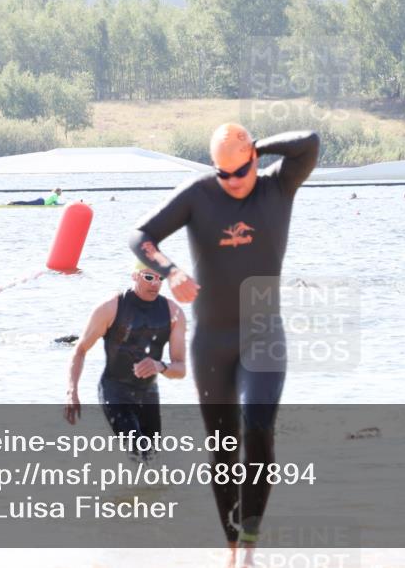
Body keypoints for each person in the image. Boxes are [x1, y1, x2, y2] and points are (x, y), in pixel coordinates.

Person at [129, 124, 319, 565]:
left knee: (258, 430)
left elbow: (309, 142)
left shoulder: (279, 187)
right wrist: (171, 270)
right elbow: (140, 236)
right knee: (223, 448)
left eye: (240, 170)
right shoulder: (199, 195)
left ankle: (249, 548)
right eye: (223, 173)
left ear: (255, 160)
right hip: (212, 342)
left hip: (263, 336)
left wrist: (258, 145)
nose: (232, 181)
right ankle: (231, 550)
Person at [64, 260, 187, 460]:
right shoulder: (111, 307)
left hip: (148, 395)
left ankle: (132, 490)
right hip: (115, 391)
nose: (155, 283)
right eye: (149, 277)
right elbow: (80, 350)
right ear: (134, 276)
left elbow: (180, 369)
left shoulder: (174, 314)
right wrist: (72, 392)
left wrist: (160, 366)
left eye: (160, 278)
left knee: (151, 459)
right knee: (138, 453)